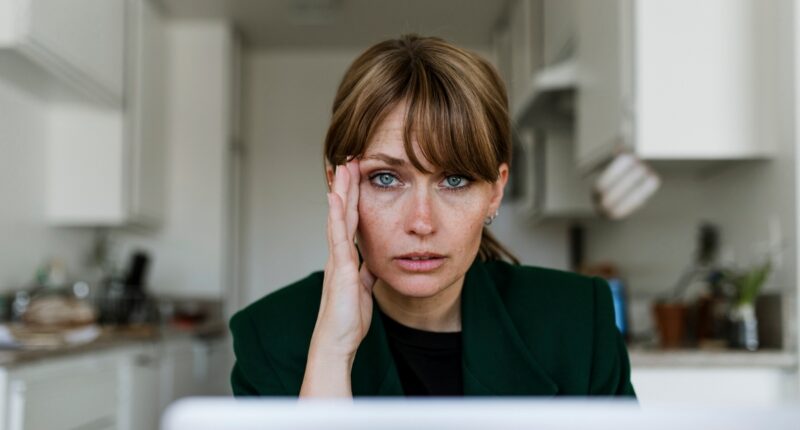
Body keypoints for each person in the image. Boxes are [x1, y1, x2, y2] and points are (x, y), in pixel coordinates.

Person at [229, 34, 636, 398]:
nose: (421, 223)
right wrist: (333, 353)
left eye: (455, 180)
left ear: (495, 191)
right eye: (386, 178)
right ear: (339, 185)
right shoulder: (269, 336)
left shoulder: (579, 320)